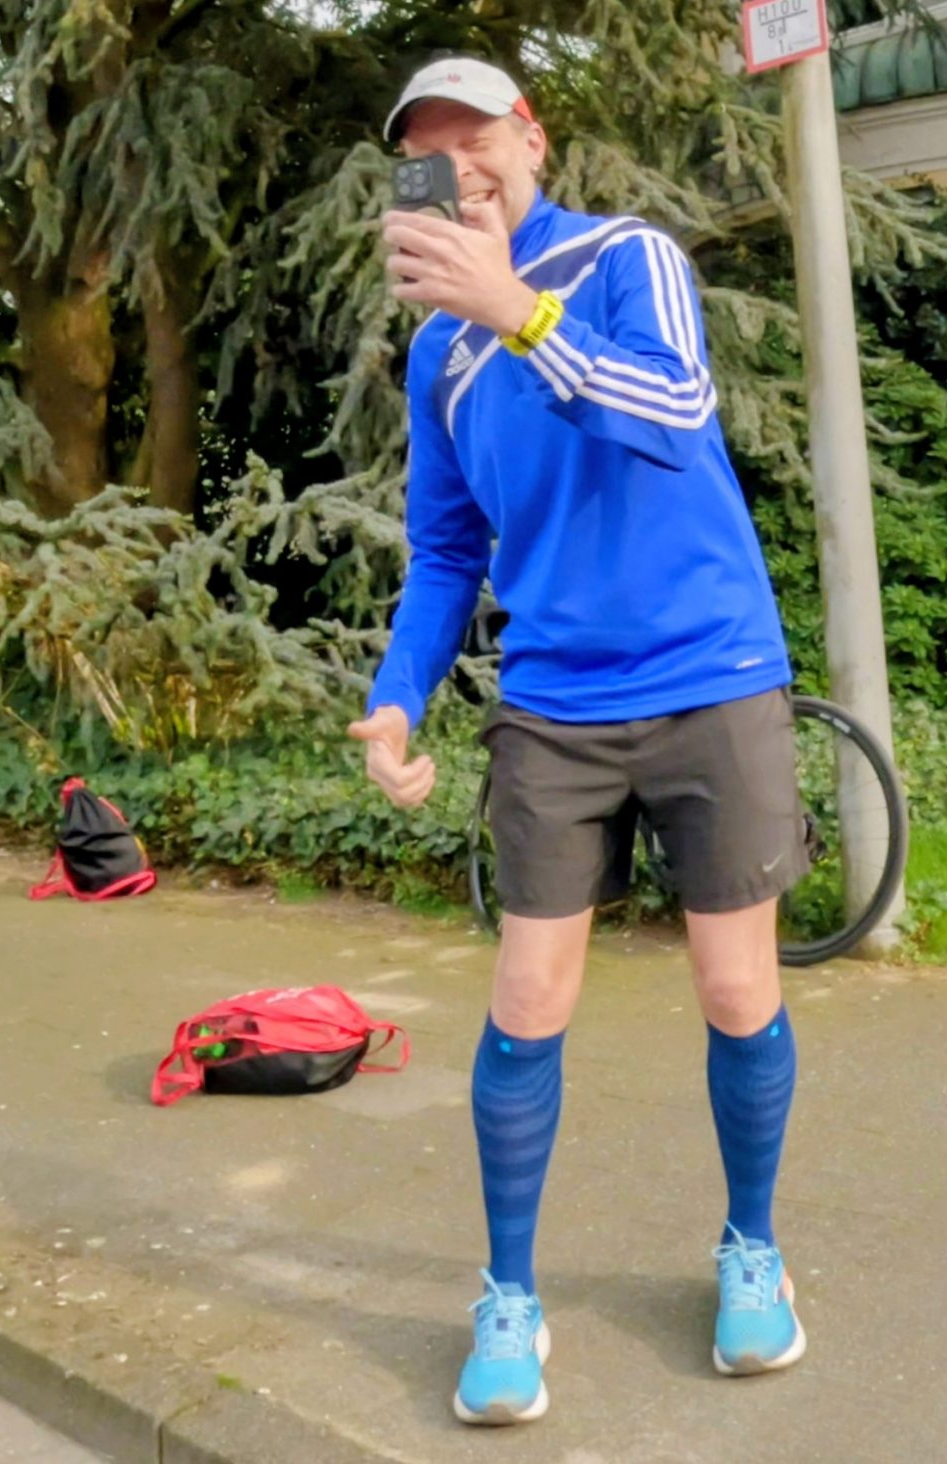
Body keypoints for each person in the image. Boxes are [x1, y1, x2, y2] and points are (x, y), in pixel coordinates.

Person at [352, 59, 810, 1425]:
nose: (460, 169)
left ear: (530, 138)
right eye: (428, 158)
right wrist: (397, 693)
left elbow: (675, 414)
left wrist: (519, 309)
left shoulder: (627, 258)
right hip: (554, 703)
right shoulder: (438, 351)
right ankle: (509, 1297)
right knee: (526, 1000)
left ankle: (754, 1252)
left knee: (736, 990)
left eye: (476, 140)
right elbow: (445, 550)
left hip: (711, 676)